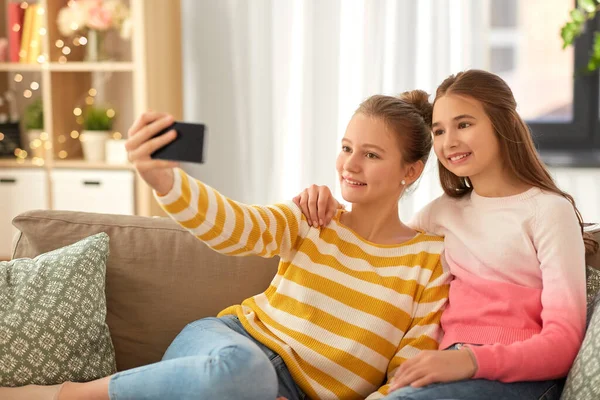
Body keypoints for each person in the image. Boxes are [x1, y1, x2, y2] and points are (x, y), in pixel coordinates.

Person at [0, 91, 452, 400]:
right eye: (346, 147)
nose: (349, 164)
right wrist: (165, 180)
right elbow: (234, 227)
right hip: (224, 346)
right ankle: (70, 395)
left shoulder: (428, 260)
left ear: (410, 172)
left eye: (371, 155)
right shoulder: (314, 216)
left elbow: (407, 371)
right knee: (244, 371)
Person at [292, 69, 598, 400]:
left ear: (503, 123)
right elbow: (376, 251)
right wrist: (324, 204)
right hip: (447, 369)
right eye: (438, 131)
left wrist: (467, 360)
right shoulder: (440, 214)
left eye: (464, 124)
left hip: (523, 379)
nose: (448, 142)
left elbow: (563, 342)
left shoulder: (549, 212)